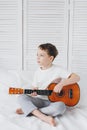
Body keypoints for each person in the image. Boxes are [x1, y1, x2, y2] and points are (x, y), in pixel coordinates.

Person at [16, 43, 80, 126]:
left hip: (53, 103)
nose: (38, 57)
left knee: (61, 107)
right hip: (39, 100)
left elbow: (77, 77)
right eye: (37, 55)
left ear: (50, 58)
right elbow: (34, 88)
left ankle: (30, 110)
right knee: (21, 97)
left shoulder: (58, 70)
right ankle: (43, 116)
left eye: (41, 55)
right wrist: (34, 92)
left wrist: (61, 84)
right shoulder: (37, 72)